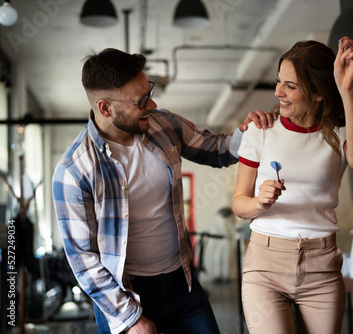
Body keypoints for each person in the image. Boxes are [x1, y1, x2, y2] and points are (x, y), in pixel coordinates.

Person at [52, 48, 275, 334]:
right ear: (105, 107)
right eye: (141, 100)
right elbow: (83, 260)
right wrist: (130, 318)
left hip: (183, 283)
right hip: (126, 295)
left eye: (150, 91)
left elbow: (219, 150)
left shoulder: (163, 125)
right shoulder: (74, 171)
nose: (152, 104)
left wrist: (248, 131)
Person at [232, 37, 353, 334]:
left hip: (322, 265)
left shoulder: (339, 132)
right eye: (279, 81)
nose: (278, 92)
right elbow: (239, 203)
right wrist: (259, 202)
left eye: (290, 86)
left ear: (319, 93)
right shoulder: (260, 130)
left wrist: (346, 90)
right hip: (265, 263)